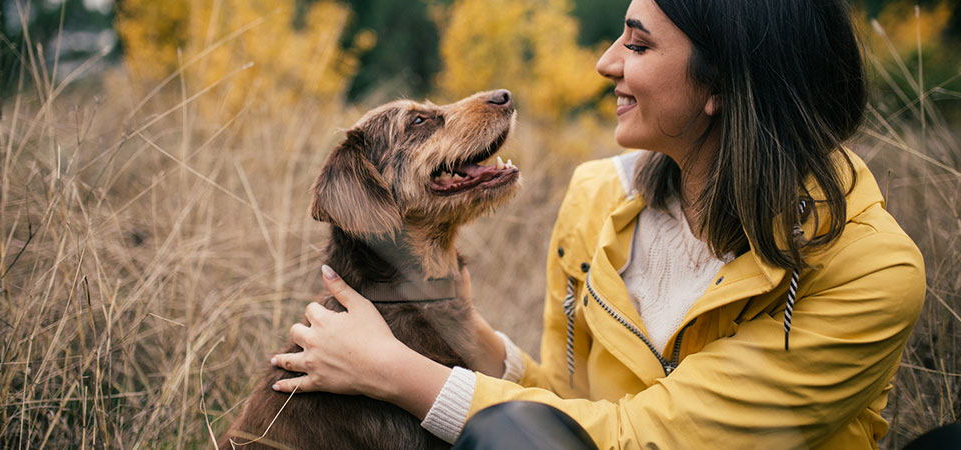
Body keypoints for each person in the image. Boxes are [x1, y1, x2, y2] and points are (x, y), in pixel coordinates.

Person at [269, 0, 927, 448]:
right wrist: (475, 342)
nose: (606, 62)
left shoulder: (869, 272)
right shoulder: (595, 199)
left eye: (638, 44)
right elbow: (565, 404)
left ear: (724, 82)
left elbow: (641, 438)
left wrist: (398, 375)